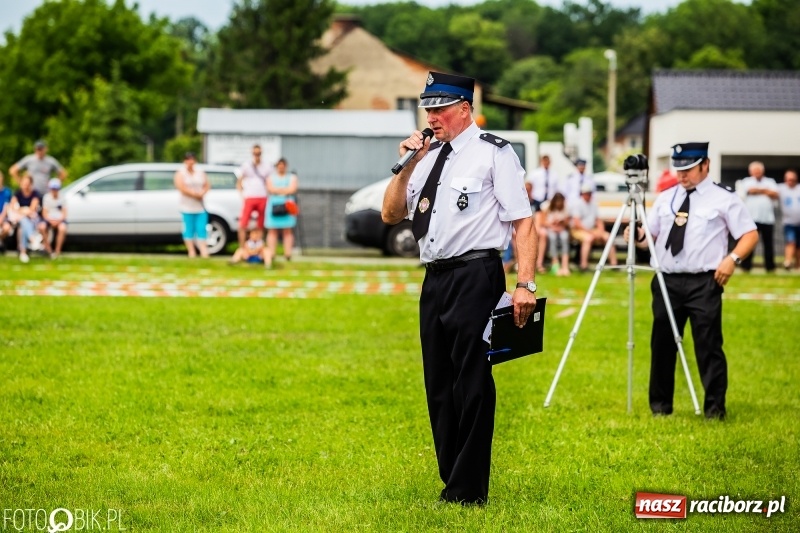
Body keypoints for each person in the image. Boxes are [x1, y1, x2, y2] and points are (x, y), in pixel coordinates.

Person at [381, 71, 538, 505]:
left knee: (472, 380)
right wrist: (407, 164)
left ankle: (468, 490)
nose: (432, 118)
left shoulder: (493, 153)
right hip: (435, 278)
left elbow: (523, 221)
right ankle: (451, 478)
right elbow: (391, 215)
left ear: (465, 109)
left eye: (440, 109)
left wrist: (525, 283)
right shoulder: (426, 157)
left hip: (475, 274)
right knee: (438, 381)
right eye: (428, 110)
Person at [625, 142, 758, 420]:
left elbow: (749, 234)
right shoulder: (666, 197)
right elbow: (651, 237)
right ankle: (660, 407)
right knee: (662, 344)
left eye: (688, 169)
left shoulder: (724, 198)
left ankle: (714, 409)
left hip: (704, 282)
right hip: (667, 281)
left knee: (708, 345)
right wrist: (637, 236)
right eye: (678, 169)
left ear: (705, 165)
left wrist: (732, 259)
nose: (682, 175)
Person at [738, 161, 778, 272]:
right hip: (751, 219)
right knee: (749, 243)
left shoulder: (770, 181)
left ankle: (770, 267)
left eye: (759, 171)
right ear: (750, 172)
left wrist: (758, 190)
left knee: (768, 244)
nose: (757, 173)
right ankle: (746, 266)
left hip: (767, 218)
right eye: (755, 171)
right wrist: (765, 191)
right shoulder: (746, 182)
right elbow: (746, 192)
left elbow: (775, 194)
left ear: (763, 171)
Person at [570, 184, 617, 271]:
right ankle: (584, 265)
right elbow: (577, 223)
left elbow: (598, 220)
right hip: (579, 230)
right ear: (582, 194)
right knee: (588, 238)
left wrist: (601, 231)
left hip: (591, 230)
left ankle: (614, 264)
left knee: (608, 237)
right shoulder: (577, 204)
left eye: (589, 193)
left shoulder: (594, 204)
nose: (588, 195)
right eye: (586, 193)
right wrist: (590, 232)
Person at [527, 155, 561, 272]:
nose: (546, 162)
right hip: (537, 201)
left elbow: (557, 190)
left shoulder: (554, 175)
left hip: (549, 203)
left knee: (544, 232)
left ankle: (540, 262)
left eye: (548, 161)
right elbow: (529, 186)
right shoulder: (535, 174)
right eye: (544, 160)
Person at [173, 152, 210, 258]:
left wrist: (202, 193)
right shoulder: (181, 173)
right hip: (187, 206)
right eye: (188, 159)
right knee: (188, 229)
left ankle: (203, 251)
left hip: (200, 206)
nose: (190, 162)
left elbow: (207, 185)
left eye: (192, 159)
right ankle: (191, 251)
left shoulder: (200, 172)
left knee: (201, 228)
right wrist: (194, 195)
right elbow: (181, 187)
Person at [237, 144, 272, 249]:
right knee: (243, 224)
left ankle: (259, 247)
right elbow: (239, 181)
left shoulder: (267, 166)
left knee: (261, 224)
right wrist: (242, 195)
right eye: (255, 153)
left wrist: (269, 195)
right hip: (249, 197)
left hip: (262, 197)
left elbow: (269, 182)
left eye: (259, 153)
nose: (257, 155)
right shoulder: (246, 165)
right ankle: (242, 248)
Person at [265, 158, 298, 266]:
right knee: (272, 230)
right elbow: (270, 189)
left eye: (283, 165)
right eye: (279, 165)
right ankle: (272, 253)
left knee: (287, 230)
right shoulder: (271, 177)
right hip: (274, 204)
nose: (281, 167)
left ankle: (287, 253)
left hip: (287, 205)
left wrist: (278, 190)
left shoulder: (292, 177)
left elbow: (292, 189)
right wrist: (284, 190)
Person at [8, 174, 42, 263]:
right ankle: (32, 239)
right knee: (23, 220)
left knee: (23, 227)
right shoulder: (17, 193)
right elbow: (13, 207)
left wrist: (21, 210)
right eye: (24, 183)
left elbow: (32, 209)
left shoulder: (35, 193)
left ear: (30, 184)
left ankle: (23, 252)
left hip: (32, 220)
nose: (25, 185)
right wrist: (24, 210)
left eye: (27, 183)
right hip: (19, 219)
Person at [38, 178, 68, 259]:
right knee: (42, 227)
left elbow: (64, 212)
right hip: (49, 219)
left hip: (59, 219)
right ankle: (48, 249)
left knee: (62, 228)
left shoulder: (62, 197)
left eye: (56, 189)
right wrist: (50, 221)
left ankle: (57, 251)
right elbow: (44, 212)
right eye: (53, 189)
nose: (54, 190)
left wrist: (58, 221)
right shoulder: (46, 197)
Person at [778, 169, 800, 269]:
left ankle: (798, 265)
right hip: (789, 222)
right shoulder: (781, 188)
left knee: (798, 245)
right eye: (788, 179)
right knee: (791, 241)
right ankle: (788, 262)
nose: (790, 181)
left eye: (792, 179)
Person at [544, 193, 571, 276]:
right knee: (552, 237)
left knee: (565, 237)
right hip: (551, 229)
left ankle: (565, 265)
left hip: (562, 229)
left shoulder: (566, 208)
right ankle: (555, 264)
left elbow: (567, 223)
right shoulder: (547, 208)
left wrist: (561, 223)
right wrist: (552, 225)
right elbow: (543, 221)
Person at [0, 170, 13, 249]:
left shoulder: (7, 192)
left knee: (7, 228)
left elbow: (7, 206)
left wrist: (1, 217)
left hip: (4, 217)